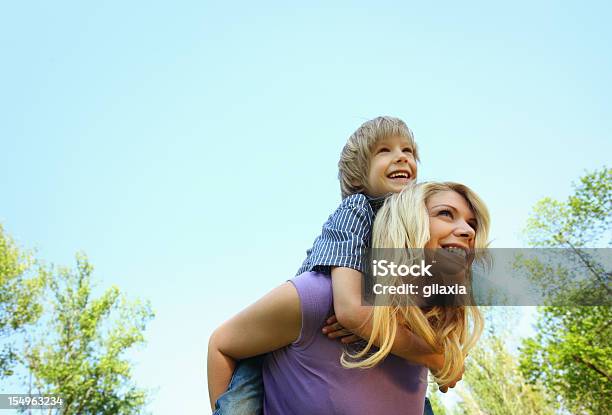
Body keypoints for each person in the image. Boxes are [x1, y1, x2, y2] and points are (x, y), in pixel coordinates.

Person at [212, 117, 445, 414]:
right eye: (384, 150)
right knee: (240, 404)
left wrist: (378, 322)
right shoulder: (357, 209)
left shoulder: (412, 231)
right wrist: (371, 323)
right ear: (359, 174)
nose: (402, 156)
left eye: (409, 151)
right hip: (282, 341)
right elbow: (349, 309)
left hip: (363, 349)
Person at [208, 182, 490, 414]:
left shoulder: (429, 334)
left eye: (472, 224)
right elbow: (222, 345)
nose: (468, 231)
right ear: (406, 223)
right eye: (445, 214)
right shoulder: (320, 298)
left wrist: (438, 355)